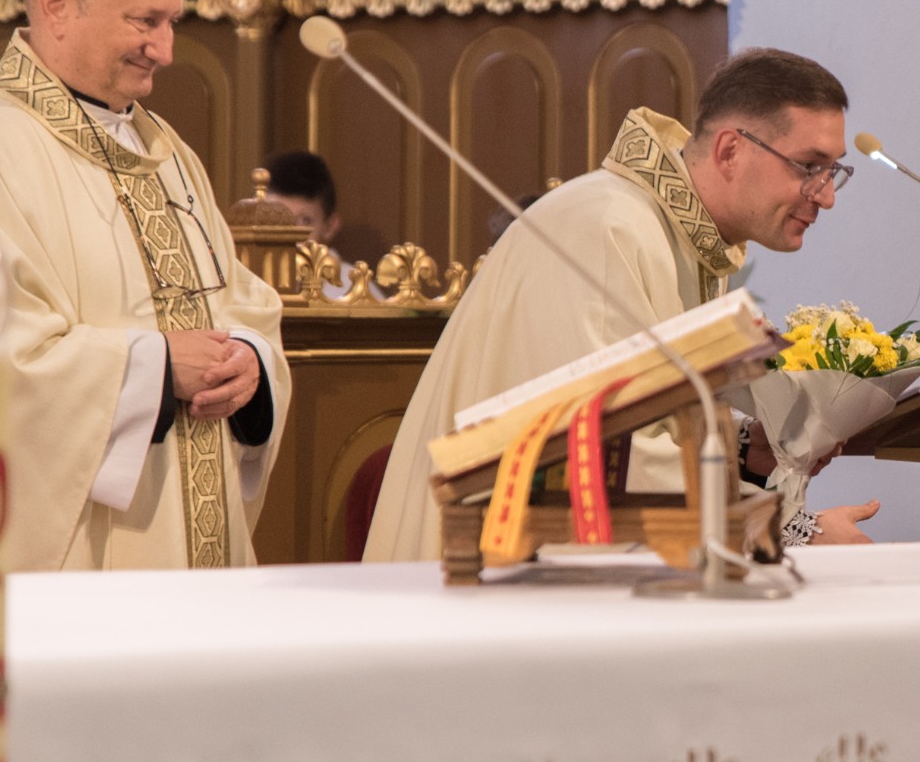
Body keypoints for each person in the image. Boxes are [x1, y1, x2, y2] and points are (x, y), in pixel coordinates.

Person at [365, 48, 879, 562]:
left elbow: (651, 417)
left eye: (833, 171)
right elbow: (599, 452)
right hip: (483, 570)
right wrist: (792, 529)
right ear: (729, 151)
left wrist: (745, 447)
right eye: (810, 167)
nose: (826, 196)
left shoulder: (681, 239)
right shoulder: (605, 230)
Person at [0, 0, 290, 570]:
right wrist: (156, 368)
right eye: (145, 21)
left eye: (171, 23)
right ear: (56, 5)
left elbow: (241, 303)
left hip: (195, 542)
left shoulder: (165, 151)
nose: (165, 50)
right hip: (80, 568)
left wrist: (251, 363)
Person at [262, 149, 375, 300]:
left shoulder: (356, 290)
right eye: (276, 218)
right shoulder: (239, 282)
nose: (289, 235)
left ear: (329, 227)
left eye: (304, 221)